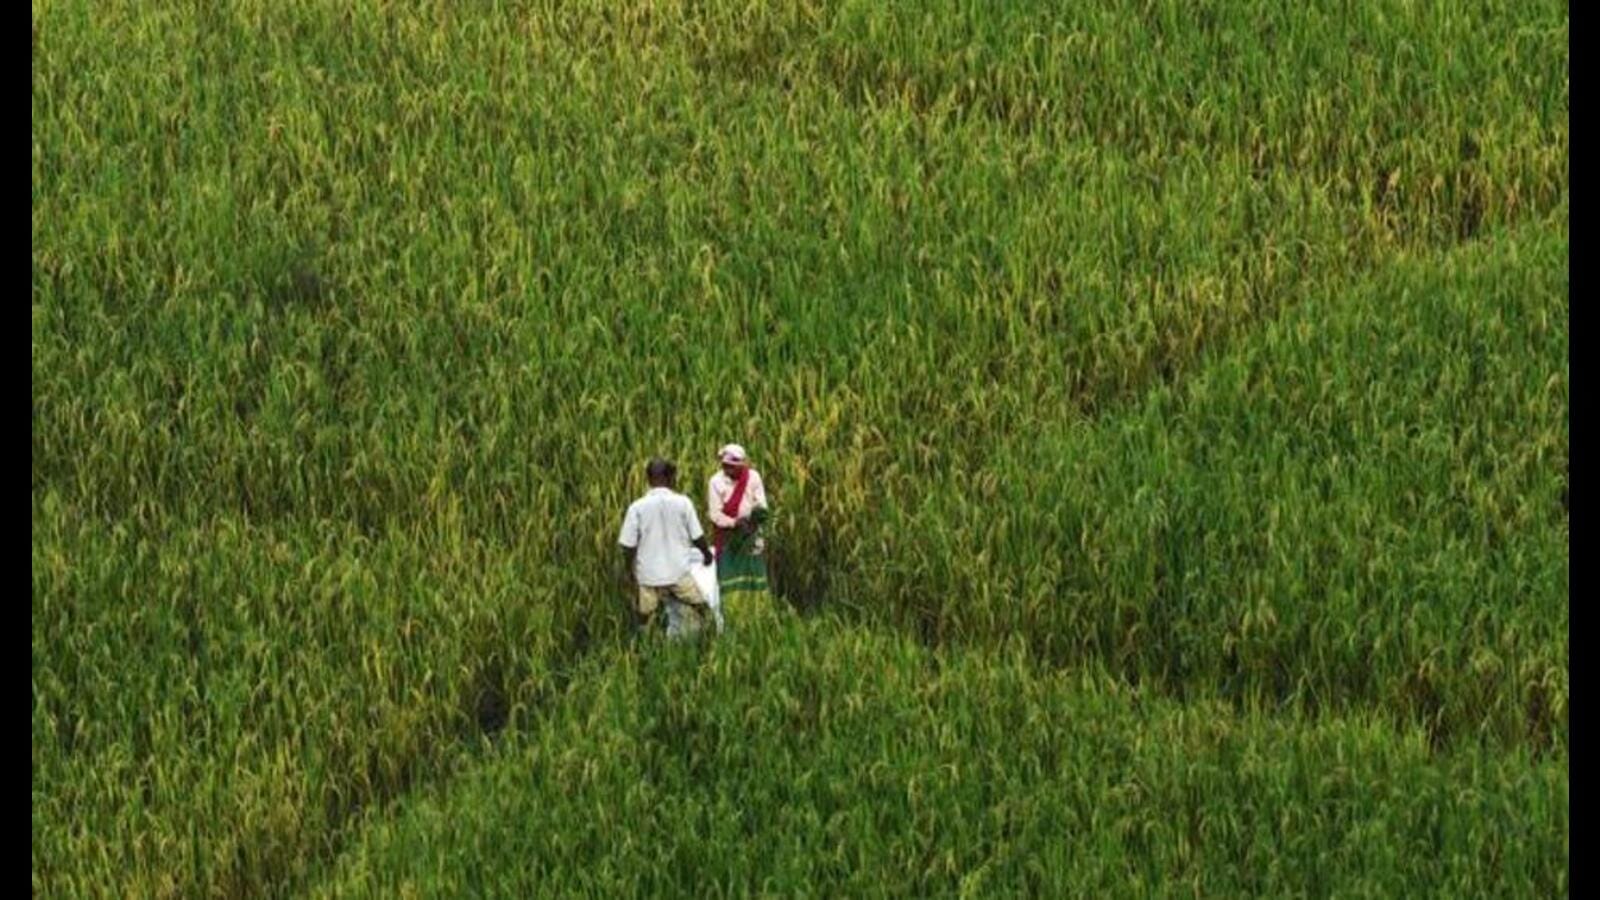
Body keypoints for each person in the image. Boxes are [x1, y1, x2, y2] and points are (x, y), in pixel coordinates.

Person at [618, 458, 716, 638]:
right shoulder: (683, 503)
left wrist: (628, 570)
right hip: (677, 573)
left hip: (649, 575)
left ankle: (643, 646)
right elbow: (697, 537)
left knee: (645, 615)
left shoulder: (636, 507)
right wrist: (707, 555)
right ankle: (712, 638)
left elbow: (628, 546)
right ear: (671, 478)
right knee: (701, 606)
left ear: (648, 479)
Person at [707, 443, 771, 612]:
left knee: (753, 577)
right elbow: (715, 514)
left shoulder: (753, 477)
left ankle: (758, 616)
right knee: (730, 579)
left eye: (732, 468)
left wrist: (752, 523)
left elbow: (761, 505)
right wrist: (734, 523)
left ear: (741, 466)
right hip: (729, 539)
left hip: (751, 536)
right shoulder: (715, 482)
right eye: (725, 467)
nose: (728, 471)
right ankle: (734, 617)